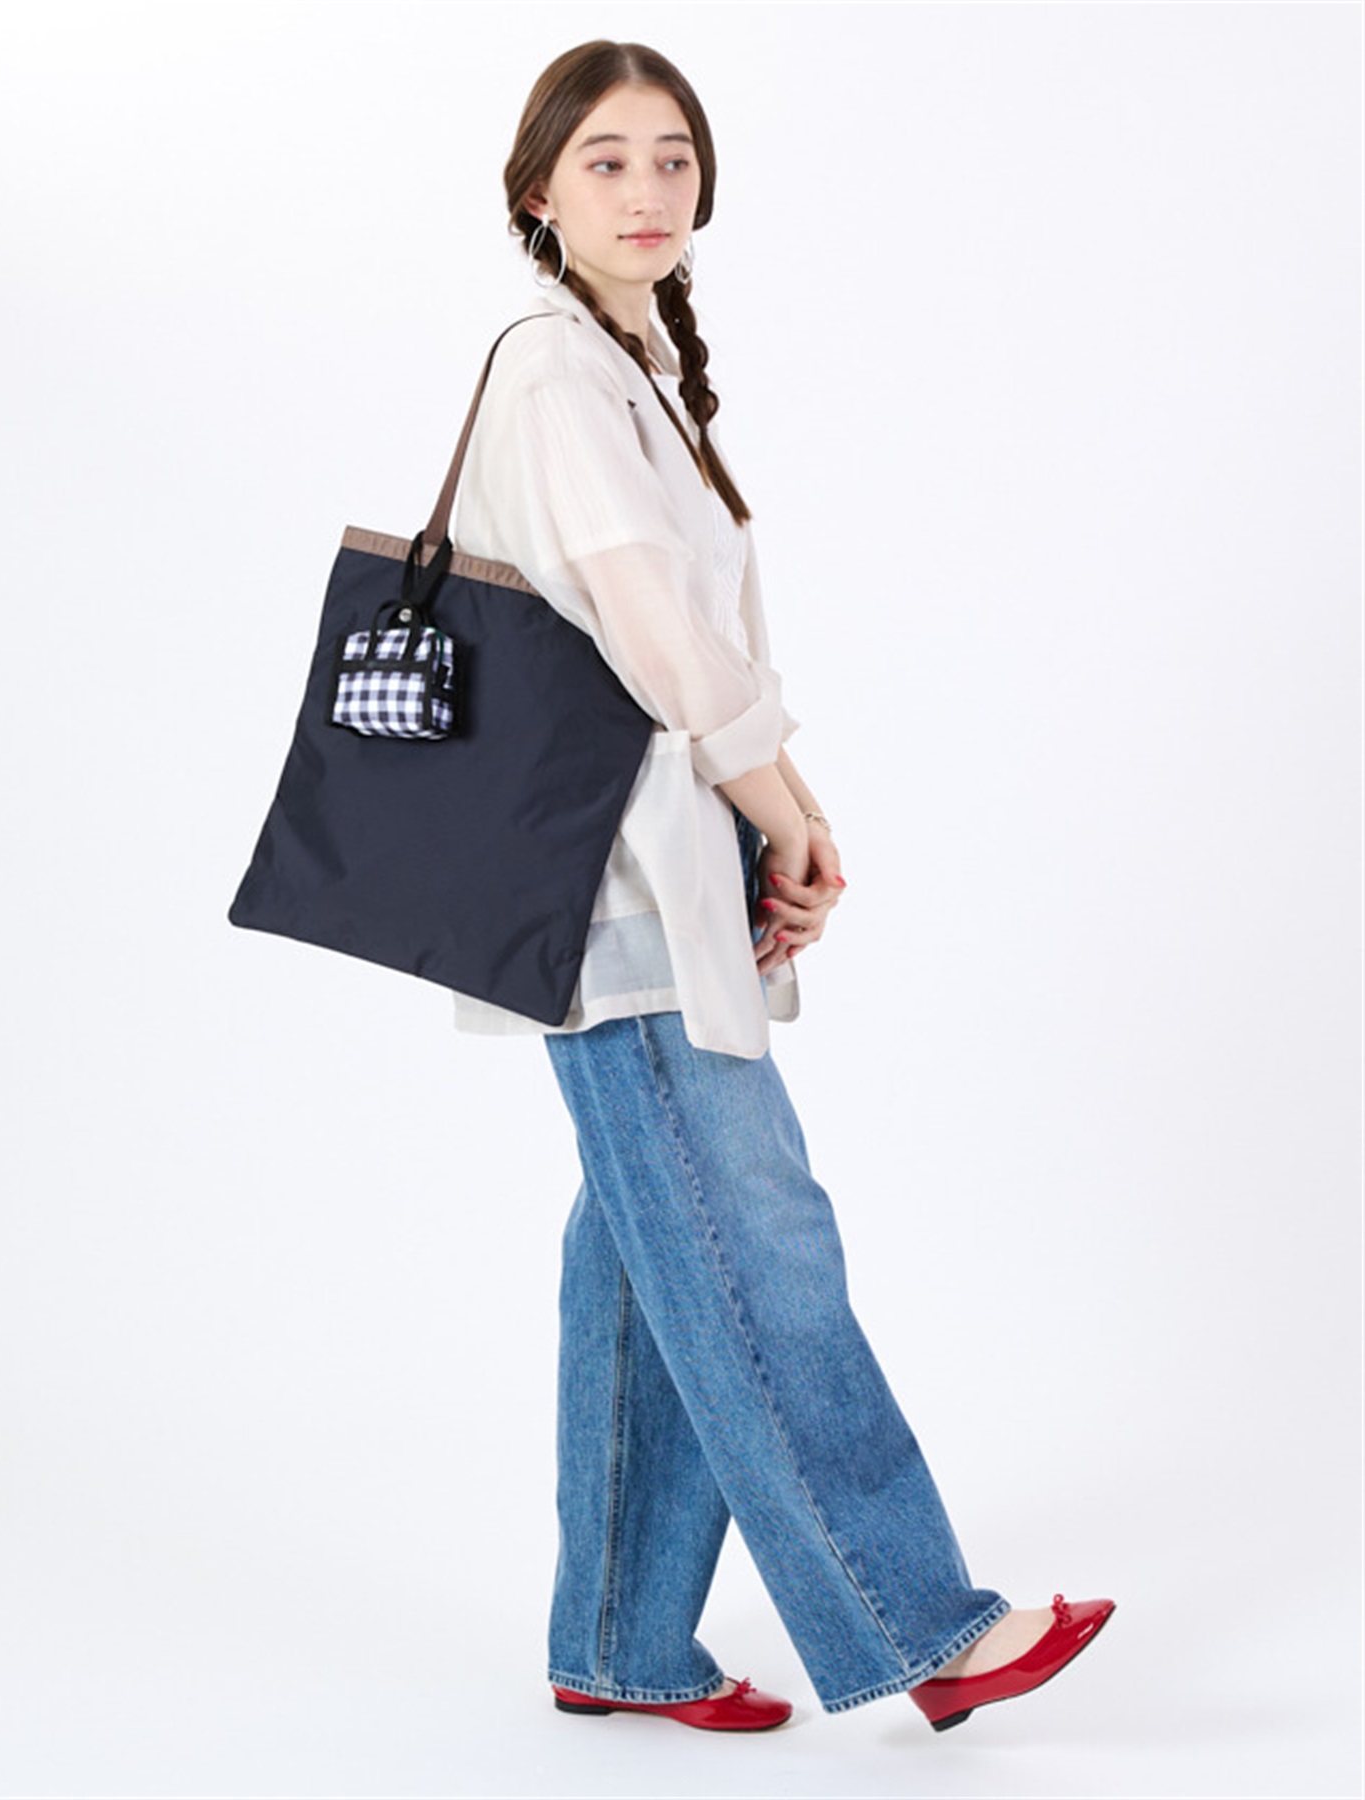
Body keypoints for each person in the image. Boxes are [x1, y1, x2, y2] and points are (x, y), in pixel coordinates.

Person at [448, 40, 1114, 1732]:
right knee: (753, 1236)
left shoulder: (638, 368)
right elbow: (653, 633)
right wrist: (780, 808)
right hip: (613, 889)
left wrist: (781, 820)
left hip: (661, 864)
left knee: (646, 1256)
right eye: (607, 160)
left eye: (673, 157)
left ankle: (617, 1640)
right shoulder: (555, 371)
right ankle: (919, 1624)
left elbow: (699, 644)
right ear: (539, 193)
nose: (648, 190)